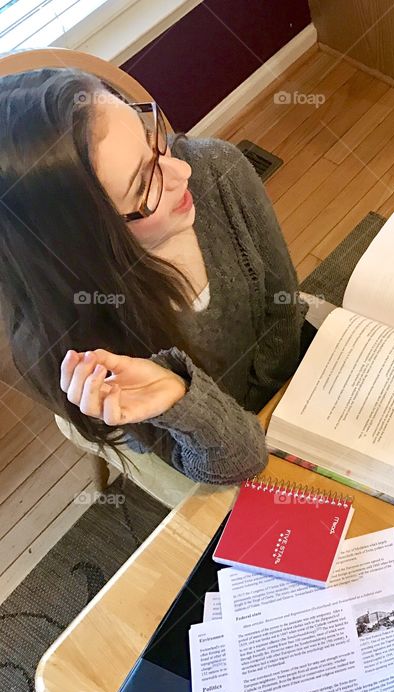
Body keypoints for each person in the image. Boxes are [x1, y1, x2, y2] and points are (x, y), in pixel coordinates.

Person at [0, 68, 312, 486]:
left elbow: (283, 307)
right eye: (144, 184)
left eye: (151, 136)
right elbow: (234, 462)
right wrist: (186, 403)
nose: (181, 171)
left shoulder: (216, 169)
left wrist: (279, 402)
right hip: (207, 444)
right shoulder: (65, 346)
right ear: (85, 242)